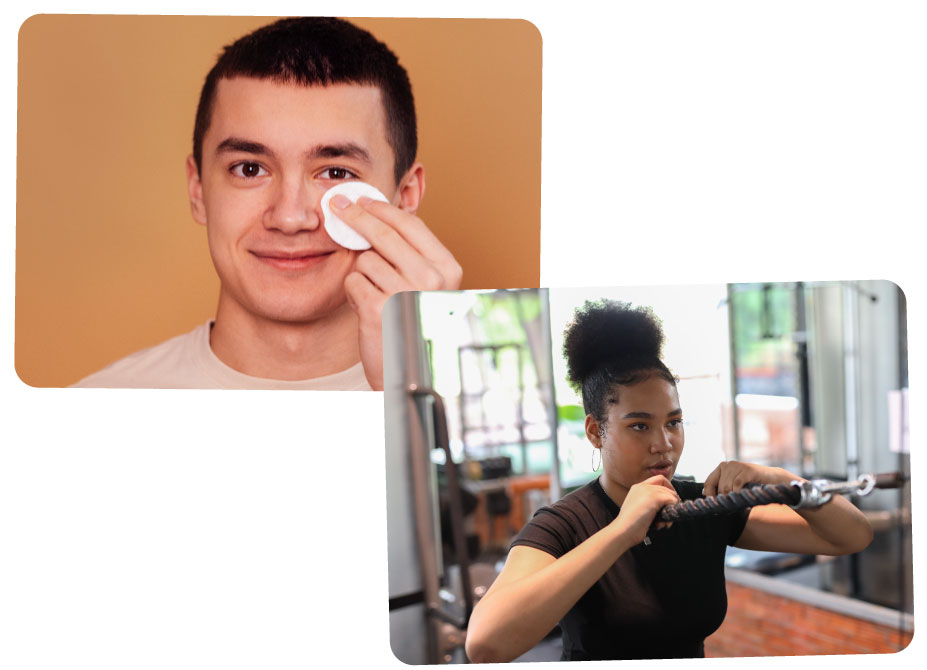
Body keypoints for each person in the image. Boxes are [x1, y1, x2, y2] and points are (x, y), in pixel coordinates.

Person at [464, 300, 873, 662]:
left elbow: (851, 538)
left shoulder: (701, 505)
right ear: (595, 431)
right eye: (639, 426)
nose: (664, 445)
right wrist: (623, 531)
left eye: (674, 423)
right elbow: (484, 645)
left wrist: (784, 481)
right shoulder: (565, 523)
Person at [73, 17, 461, 391]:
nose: (290, 218)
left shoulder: (463, 409)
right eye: (249, 168)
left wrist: (412, 395)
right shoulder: (90, 409)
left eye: (337, 173)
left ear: (405, 196)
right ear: (198, 190)